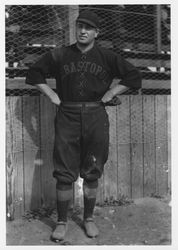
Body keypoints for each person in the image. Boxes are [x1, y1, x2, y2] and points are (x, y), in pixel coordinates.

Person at [26, 10, 141, 241]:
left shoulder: (107, 56)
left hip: (95, 115)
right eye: (80, 26)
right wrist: (51, 95)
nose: (83, 31)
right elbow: (34, 72)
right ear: (75, 28)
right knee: (64, 172)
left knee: (92, 170)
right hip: (67, 115)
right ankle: (61, 222)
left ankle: (88, 219)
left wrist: (111, 92)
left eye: (88, 28)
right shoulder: (60, 54)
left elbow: (133, 76)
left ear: (96, 32)